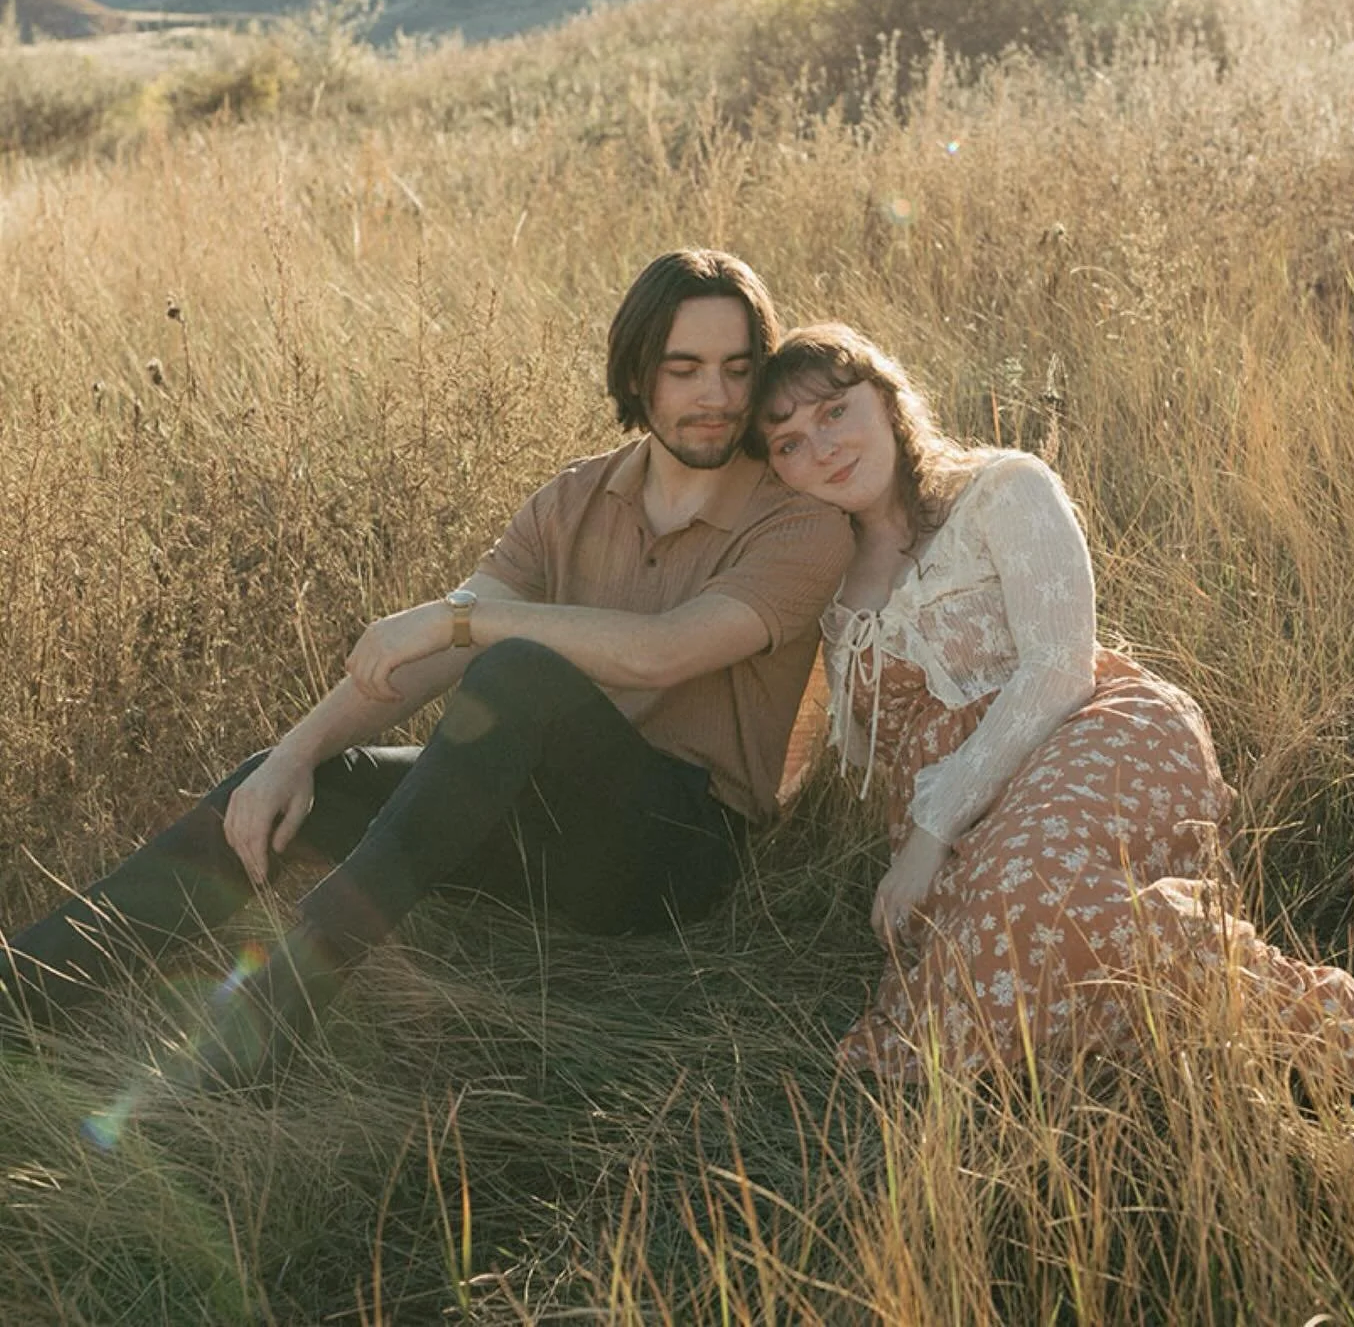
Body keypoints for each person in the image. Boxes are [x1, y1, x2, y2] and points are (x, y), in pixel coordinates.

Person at [0, 251, 853, 1084]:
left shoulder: (800, 523)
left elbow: (661, 651)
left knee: (516, 673)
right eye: (685, 369)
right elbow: (429, 658)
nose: (717, 397)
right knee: (303, 783)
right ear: (637, 374)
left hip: (677, 854)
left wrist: (459, 619)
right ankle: (24, 993)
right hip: (540, 827)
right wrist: (292, 755)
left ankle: (273, 1013)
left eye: (739, 369)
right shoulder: (574, 498)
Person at [755, 322, 1354, 1088]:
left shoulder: (1002, 488)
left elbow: (1058, 667)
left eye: (835, 411)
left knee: (1032, 891)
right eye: (789, 443)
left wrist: (930, 834)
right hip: (969, 816)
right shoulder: (824, 579)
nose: (823, 448)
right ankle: (1323, 1040)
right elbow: (806, 744)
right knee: (1002, 960)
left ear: (884, 396)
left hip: (1091, 732)